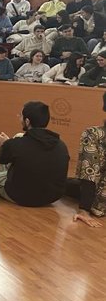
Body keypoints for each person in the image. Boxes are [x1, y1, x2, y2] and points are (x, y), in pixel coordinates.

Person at [0, 102, 69, 206]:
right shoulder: (61, 145)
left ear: (27, 121)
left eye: (20, 115)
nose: (18, 117)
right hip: (52, 197)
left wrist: (6, 144)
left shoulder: (17, 143)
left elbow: (1, 159)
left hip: (21, 196)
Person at [67, 92, 106, 227]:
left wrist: (84, 209)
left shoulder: (93, 134)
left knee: (59, 183)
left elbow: (89, 172)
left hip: (100, 201)